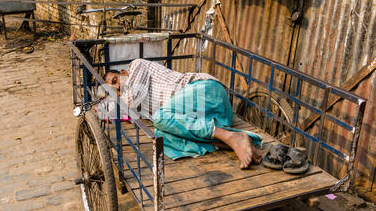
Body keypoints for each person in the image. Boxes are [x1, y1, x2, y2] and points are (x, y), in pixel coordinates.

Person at [103, 59, 262, 169]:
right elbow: (109, 111)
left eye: (115, 80)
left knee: (160, 117)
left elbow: (129, 100)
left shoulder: (137, 67)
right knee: (160, 134)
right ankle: (235, 142)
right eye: (113, 88)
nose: (117, 86)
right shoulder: (131, 104)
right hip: (207, 117)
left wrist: (114, 97)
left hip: (205, 91)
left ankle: (232, 138)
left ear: (123, 73)